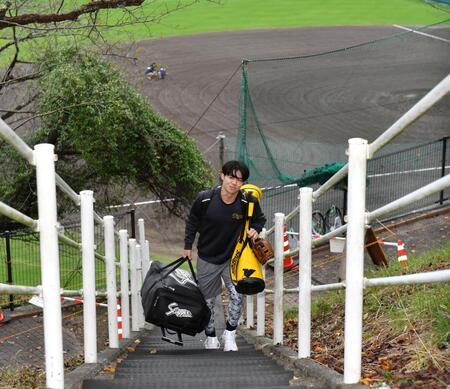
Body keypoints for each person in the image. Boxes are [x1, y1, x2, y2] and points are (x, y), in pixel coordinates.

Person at [183, 160, 266, 352]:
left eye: (239, 179)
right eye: (231, 177)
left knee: (238, 295)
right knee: (208, 302)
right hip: (207, 257)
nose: (234, 182)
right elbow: (192, 221)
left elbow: (260, 219)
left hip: (234, 259)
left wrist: (255, 229)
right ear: (222, 176)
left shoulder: (247, 202)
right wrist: (187, 246)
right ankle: (211, 337)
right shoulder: (204, 199)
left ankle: (230, 334)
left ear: (243, 183)